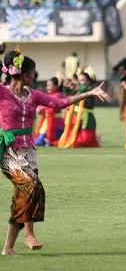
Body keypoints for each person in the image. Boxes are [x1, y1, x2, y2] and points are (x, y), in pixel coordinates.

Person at [0, 47, 110, 256]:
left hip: (29, 153)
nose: (36, 75)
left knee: (23, 195)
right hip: (9, 152)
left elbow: (61, 103)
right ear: (24, 75)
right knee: (31, 186)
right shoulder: (2, 92)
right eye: (33, 72)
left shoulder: (34, 95)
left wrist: (89, 92)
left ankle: (9, 247)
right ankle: (28, 234)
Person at [58, 72, 101, 148]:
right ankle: (94, 137)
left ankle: (95, 137)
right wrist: (66, 86)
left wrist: (75, 84)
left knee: (84, 141)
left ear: (88, 81)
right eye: (79, 80)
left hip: (87, 118)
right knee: (70, 139)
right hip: (76, 116)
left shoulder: (89, 89)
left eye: (82, 80)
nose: (80, 82)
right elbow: (68, 93)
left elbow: (83, 89)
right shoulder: (78, 89)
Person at [35, 76, 65, 146]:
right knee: (37, 141)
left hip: (56, 125)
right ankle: (46, 140)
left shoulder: (58, 95)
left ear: (56, 86)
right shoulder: (48, 96)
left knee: (38, 142)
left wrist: (41, 108)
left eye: (49, 85)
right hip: (47, 124)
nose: (47, 87)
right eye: (47, 86)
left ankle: (48, 140)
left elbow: (52, 103)